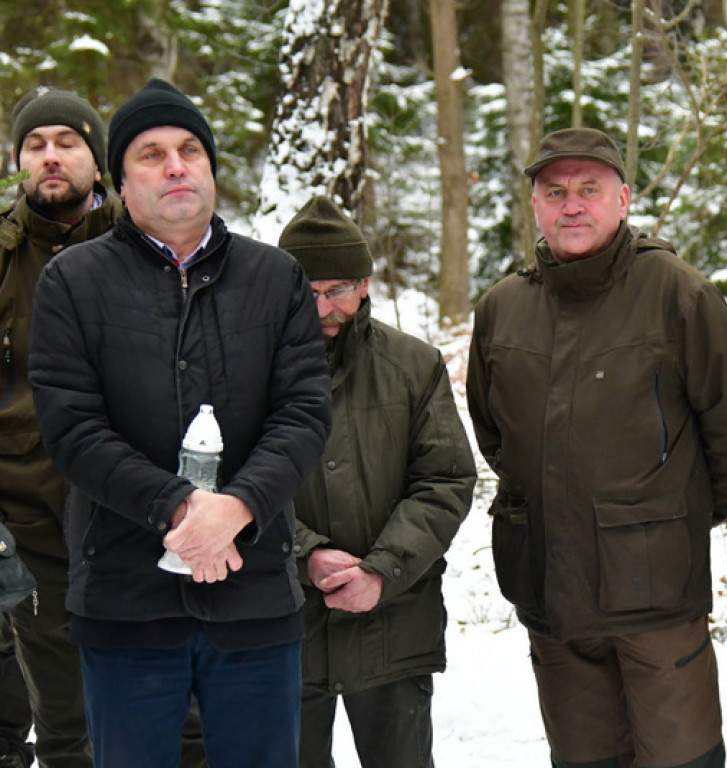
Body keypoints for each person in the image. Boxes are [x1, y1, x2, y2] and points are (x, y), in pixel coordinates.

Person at [26, 78, 331, 768]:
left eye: (191, 150)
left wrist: (238, 508)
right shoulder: (73, 283)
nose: (175, 166)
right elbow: (72, 428)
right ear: (118, 183)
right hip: (125, 599)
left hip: (253, 594)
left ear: (211, 170)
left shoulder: (275, 277)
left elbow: (305, 411)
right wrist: (182, 507)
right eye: (151, 153)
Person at [466, 127, 727, 768]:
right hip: (550, 587)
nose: (571, 205)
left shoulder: (677, 293)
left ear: (623, 199)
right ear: (536, 207)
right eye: (555, 192)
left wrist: (663, 518)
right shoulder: (503, 308)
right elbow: (495, 433)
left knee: (680, 757)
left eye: (589, 189)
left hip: (654, 596)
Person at [277, 195, 477, 767]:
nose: (322, 308)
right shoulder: (250, 367)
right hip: (285, 627)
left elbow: (445, 480)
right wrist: (306, 554)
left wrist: (382, 571)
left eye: (337, 288)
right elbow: (234, 485)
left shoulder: (413, 366)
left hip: (394, 623)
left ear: (364, 284)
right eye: (307, 292)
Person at [0, 85, 121, 768]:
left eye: (68, 142)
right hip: (30, 531)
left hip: (138, 523)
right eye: (35, 145)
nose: (50, 157)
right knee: (67, 729)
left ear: (97, 162)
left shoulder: (143, 248)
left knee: (175, 717)